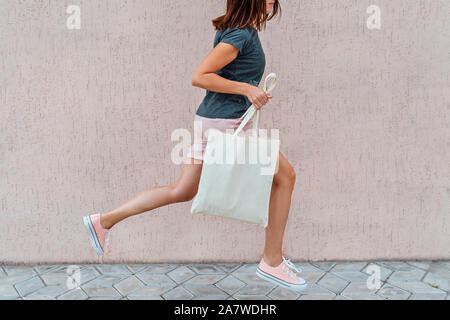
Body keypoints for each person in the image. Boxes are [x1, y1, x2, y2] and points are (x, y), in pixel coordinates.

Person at [83, 0, 307, 292]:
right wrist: (247, 88)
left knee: (183, 190)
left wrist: (247, 88)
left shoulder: (240, 29)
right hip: (226, 125)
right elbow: (200, 76)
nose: (272, 1)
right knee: (285, 177)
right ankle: (272, 261)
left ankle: (103, 221)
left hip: (214, 121)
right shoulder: (241, 34)